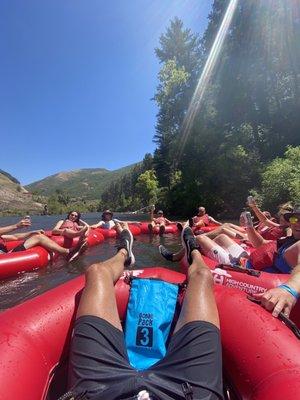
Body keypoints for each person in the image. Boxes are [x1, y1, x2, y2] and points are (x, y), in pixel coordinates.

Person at [61, 226, 223, 400]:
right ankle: (193, 251)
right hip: (188, 394)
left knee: (97, 272)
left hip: (99, 393)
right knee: (202, 275)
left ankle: (124, 251)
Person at [242, 206, 300, 274]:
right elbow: (261, 244)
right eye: (294, 219)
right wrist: (249, 225)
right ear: (290, 222)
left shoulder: (294, 240)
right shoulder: (287, 240)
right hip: (250, 270)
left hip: (265, 280)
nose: (297, 223)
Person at [0, 218, 87, 262]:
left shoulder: (2, 237)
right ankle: (67, 253)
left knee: (38, 235)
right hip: (5, 258)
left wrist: (32, 232)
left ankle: (62, 253)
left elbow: (15, 237)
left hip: (8, 254)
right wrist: (16, 226)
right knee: (39, 238)